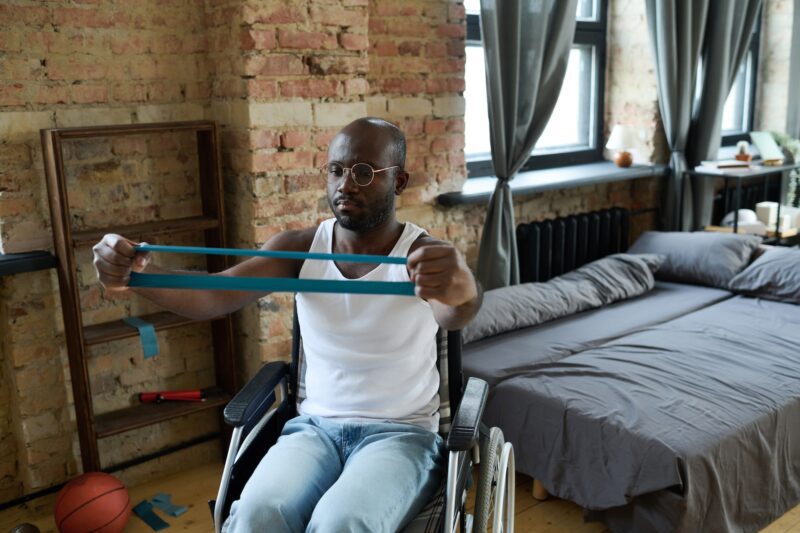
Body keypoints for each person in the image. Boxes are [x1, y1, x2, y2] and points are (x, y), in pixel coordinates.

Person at [92, 117, 482, 532]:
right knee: (257, 515)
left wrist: (460, 286)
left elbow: (456, 313)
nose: (345, 185)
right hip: (313, 431)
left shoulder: (425, 257)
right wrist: (135, 274)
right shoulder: (298, 250)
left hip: (402, 437)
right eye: (336, 170)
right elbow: (212, 295)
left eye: (364, 172)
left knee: (340, 524)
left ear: (399, 181)